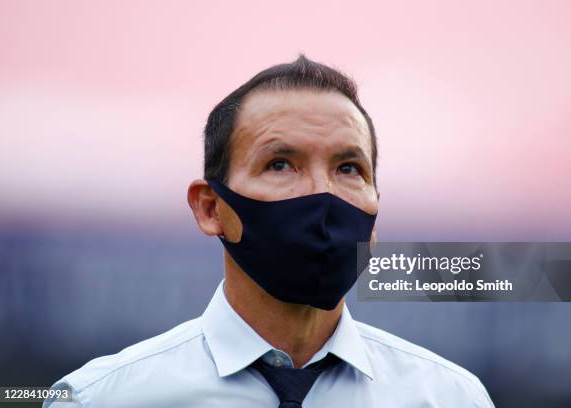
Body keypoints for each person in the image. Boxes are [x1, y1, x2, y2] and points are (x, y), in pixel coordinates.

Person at [44, 55, 494, 407]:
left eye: (349, 168)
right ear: (210, 208)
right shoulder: (100, 398)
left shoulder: (452, 399)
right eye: (280, 164)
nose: (323, 195)